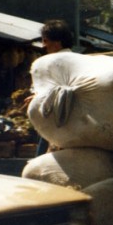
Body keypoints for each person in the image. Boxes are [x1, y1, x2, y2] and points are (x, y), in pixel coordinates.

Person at [31, 19, 74, 155]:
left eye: (46, 41)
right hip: (75, 119)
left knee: (43, 148)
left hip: (58, 116)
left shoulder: (52, 62)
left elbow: (56, 88)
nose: (43, 46)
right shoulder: (77, 59)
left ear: (57, 43)